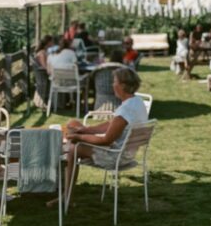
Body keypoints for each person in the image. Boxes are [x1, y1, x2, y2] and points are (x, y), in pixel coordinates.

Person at [59, 67, 148, 203]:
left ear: (122, 85)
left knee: (72, 149)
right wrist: (86, 130)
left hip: (116, 157)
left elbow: (106, 140)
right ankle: (63, 179)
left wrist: (79, 137)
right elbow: (110, 124)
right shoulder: (136, 101)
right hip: (126, 153)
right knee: (73, 124)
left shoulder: (125, 110)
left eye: (114, 81)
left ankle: (67, 197)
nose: (112, 85)